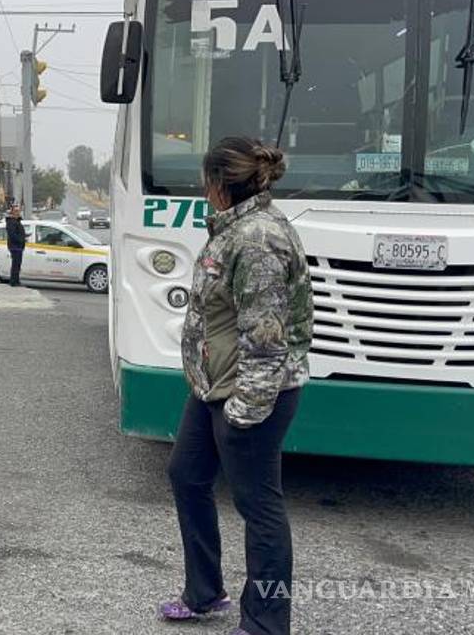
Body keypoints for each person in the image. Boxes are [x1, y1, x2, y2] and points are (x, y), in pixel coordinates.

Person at [159, 137, 311, 635]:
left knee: (259, 506)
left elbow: (266, 338)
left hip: (252, 393)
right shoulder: (234, 228)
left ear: (220, 184)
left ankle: (266, 622)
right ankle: (205, 592)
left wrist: (245, 411)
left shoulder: (258, 239)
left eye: (206, 181)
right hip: (214, 386)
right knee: (187, 475)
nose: (203, 190)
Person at [5, 203, 26, 286]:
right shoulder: (11, 222)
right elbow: (12, 235)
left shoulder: (17, 221)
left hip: (19, 246)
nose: (18, 212)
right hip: (15, 246)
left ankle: (16, 280)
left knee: (18, 264)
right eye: (16, 211)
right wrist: (20, 239)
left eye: (18, 211)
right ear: (12, 212)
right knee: (15, 264)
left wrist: (24, 237)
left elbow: (18, 232)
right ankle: (13, 281)